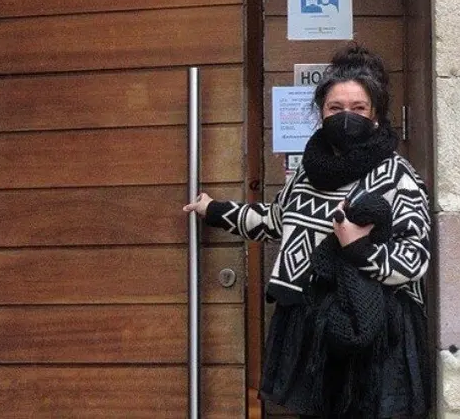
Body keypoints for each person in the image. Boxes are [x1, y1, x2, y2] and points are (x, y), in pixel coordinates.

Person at [184, 45, 431, 418]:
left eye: (358, 108)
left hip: (378, 336)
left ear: (376, 115)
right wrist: (215, 210)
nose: (346, 117)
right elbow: (274, 220)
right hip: (314, 327)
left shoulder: (399, 176)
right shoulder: (306, 175)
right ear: (321, 113)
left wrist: (361, 250)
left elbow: (416, 258)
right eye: (335, 108)